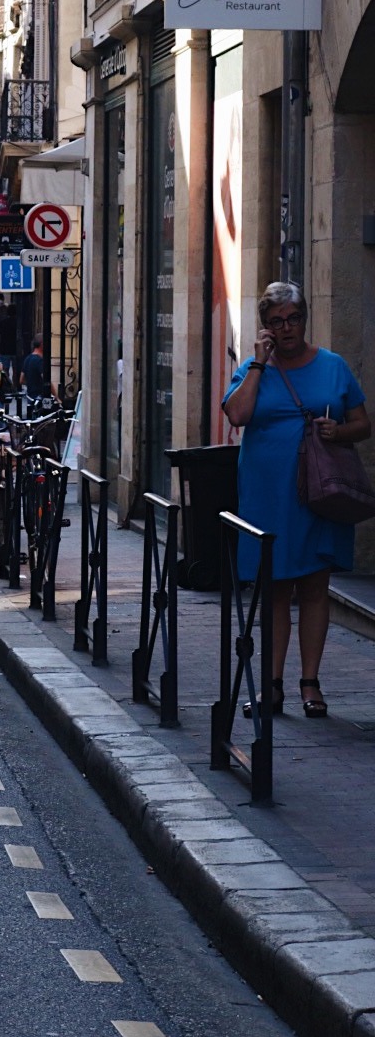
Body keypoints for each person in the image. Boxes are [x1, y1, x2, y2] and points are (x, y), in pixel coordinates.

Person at [222, 281, 371, 718]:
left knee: (313, 587)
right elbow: (236, 415)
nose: (286, 329)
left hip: (318, 493)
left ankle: (310, 683)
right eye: (275, 323)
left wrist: (338, 431)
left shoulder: (333, 366)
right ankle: (270, 686)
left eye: (292, 319)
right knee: (273, 589)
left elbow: (363, 424)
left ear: (304, 319)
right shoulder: (253, 367)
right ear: (265, 328)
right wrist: (258, 365)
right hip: (268, 495)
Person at [21, 335, 56, 403]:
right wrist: (56, 397)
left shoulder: (27, 359)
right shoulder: (40, 361)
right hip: (40, 398)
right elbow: (46, 380)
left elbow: (21, 380)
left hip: (30, 397)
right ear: (42, 344)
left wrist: (31, 382)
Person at [0, 305, 20, 383]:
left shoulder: (3, 322)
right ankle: (15, 386)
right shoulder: (18, 323)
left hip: (4, 348)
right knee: (15, 369)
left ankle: (7, 386)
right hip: (15, 349)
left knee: (5, 370)